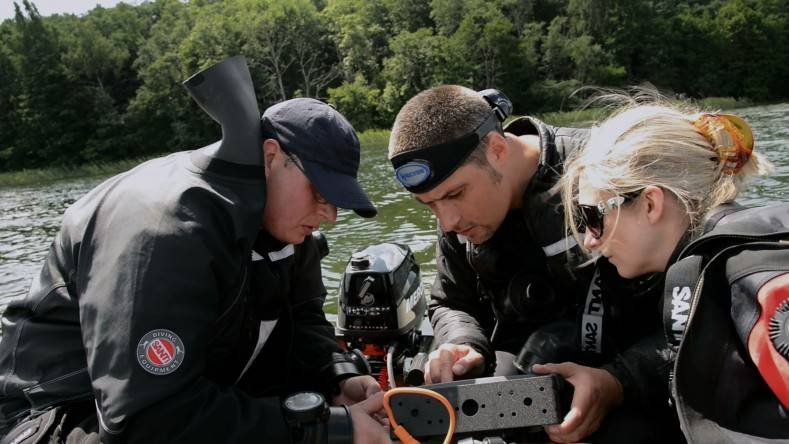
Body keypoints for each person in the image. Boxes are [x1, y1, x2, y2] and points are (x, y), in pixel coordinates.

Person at [0, 56, 390, 444]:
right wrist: (330, 429)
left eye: (338, 200)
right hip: (64, 412)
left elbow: (303, 318)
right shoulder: (163, 234)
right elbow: (142, 422)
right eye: (321, 192)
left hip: (182, 398)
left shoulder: (289, 231)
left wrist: (337, 375)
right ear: (271, 157)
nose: (331, 215)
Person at [387, 85, 679, 443]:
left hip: (633, 371)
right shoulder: (455, 212)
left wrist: (617, 381)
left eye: (455, 194)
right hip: (526, 379)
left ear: (497, 149)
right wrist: (461, 342)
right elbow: (450, 301)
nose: (447, 221)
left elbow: (692, 312)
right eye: (428, 204)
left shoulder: (606, 174)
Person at [560, 96, 789, 441]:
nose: (589, 241)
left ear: (651, 203)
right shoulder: (711, 270)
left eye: (593, 217)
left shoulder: (750, 273)